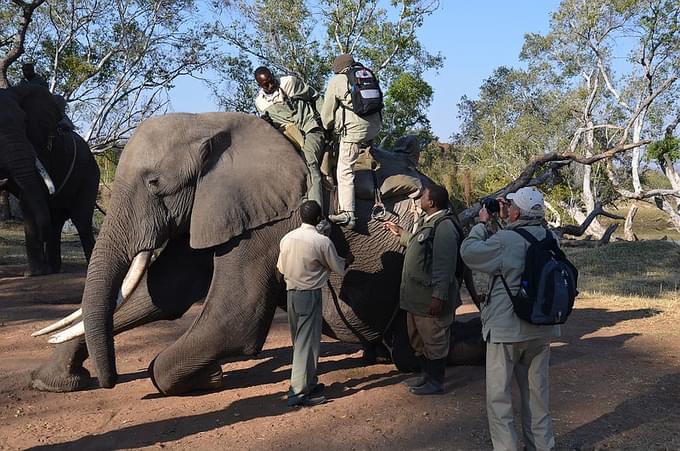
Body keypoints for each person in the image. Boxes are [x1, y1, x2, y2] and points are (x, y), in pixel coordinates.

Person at [460, 187, 559, 451]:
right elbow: (522, 239)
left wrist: (483, 223)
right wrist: (506, 220)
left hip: (507, 330)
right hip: (541, 327)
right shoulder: (552, 238)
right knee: (537, 395)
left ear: (515, 211)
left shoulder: (506, 240)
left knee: (500, 397)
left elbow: (470, 253)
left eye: (510, 207)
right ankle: (542, 446)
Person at [383, 184, 460, 395]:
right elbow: (419, 245)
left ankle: (436, 382)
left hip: (429, 299)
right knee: (419, 341)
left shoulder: (444, 227)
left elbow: (445, 266)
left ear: (431, 202)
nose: (420, 199)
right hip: (416, 299)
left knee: (435, 340)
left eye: (423, 196)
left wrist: (439, 296)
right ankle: (426, 377)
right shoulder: (428, 223)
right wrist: (400, 232)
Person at [276, 200, 354, 407]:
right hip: (309, 295)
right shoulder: (321, 242)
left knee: (300, 343)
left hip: (291, 294)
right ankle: (298, 394)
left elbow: (282, 268)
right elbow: (339, 268)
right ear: (320, 218)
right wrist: (348, 259)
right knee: (306, 345)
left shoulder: (287, 238)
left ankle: (308, 382)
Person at [320, 54, 382, 229]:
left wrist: (328, 127)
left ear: (338, 69)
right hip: (374, 127)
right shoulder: (366, 73)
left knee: (344, 170)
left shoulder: (337, 80)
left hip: (355, 132)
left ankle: (348, 214)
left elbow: (327, 114)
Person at [254, 66, 325, 207]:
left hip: (311, 129)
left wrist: (327, 122)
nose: (271, 85)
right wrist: (268, 124)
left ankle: (317, 213)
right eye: (266, 84)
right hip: (291, 140)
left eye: (271, 80)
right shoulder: (260, 103)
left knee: (309, 162)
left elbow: (315, 96)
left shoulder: (289, 83)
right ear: (259, 86)